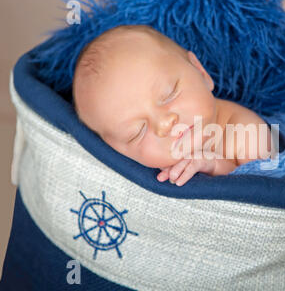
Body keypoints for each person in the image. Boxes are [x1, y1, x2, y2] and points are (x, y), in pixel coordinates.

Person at [73, 24, 273, 186]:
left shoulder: (246, 132)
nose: (165, 124)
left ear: (201, 73)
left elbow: (270, 194)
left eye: (169, 95)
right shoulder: (139, 170)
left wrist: (214, 167)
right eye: (137, 132)